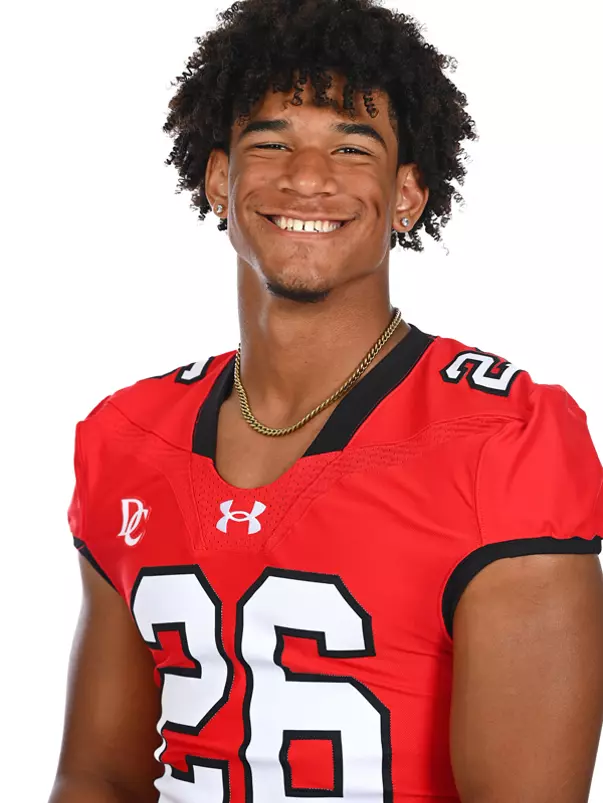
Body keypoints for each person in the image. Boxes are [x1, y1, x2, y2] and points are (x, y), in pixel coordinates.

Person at [49, 1, 603, 801]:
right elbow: (96, 775)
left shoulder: (505, 439)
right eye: (269, 142)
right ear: (218, 179)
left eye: (352, 147)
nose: (305, 177)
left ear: (406, 194)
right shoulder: (128, 435)